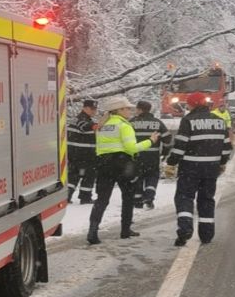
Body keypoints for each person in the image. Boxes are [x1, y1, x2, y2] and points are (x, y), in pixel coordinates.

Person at [87, 95, 160, 245]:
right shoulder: (124, 126)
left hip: (104, 164)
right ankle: (125, 230)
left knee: (102, 199)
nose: (130, 111)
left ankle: (92, 231)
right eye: (127, 108)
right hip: (123, 165)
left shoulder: (102, 126)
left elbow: (99, 148)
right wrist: (150, 141)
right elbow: (131, 148)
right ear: (119, 110)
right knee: (128, 198)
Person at [165, 92, 231, 246]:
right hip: (211, 169)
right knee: (206, 200)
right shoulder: (220, 121)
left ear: (191, 105)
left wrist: (171, 163)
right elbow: (227, 147)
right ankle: (207, 234)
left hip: (189, 168)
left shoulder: (188, 121)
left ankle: (185, 228)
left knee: (184, 197)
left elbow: (180, 146)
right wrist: (221, 163)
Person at [130, 100, 172, 209]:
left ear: (139, 109)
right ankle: (148, 199)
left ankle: (137, 200)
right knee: (152, 176)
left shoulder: (131, 122)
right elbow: (167, 139)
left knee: (138, 176)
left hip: (136, 155)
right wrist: (164, 153)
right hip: (152, 156)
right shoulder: (157, 123)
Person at [67, 98, 98, 204]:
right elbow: (84, 127)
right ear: (84, 108)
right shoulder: (82, 119)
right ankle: (85, 197)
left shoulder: (83, 118)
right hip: (83, 154)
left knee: (73, 176)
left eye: (95, 109)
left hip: (75, 154)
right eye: (92, 109)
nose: (94, 111)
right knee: (89, 175)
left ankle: (67, 195)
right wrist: (98, 126)